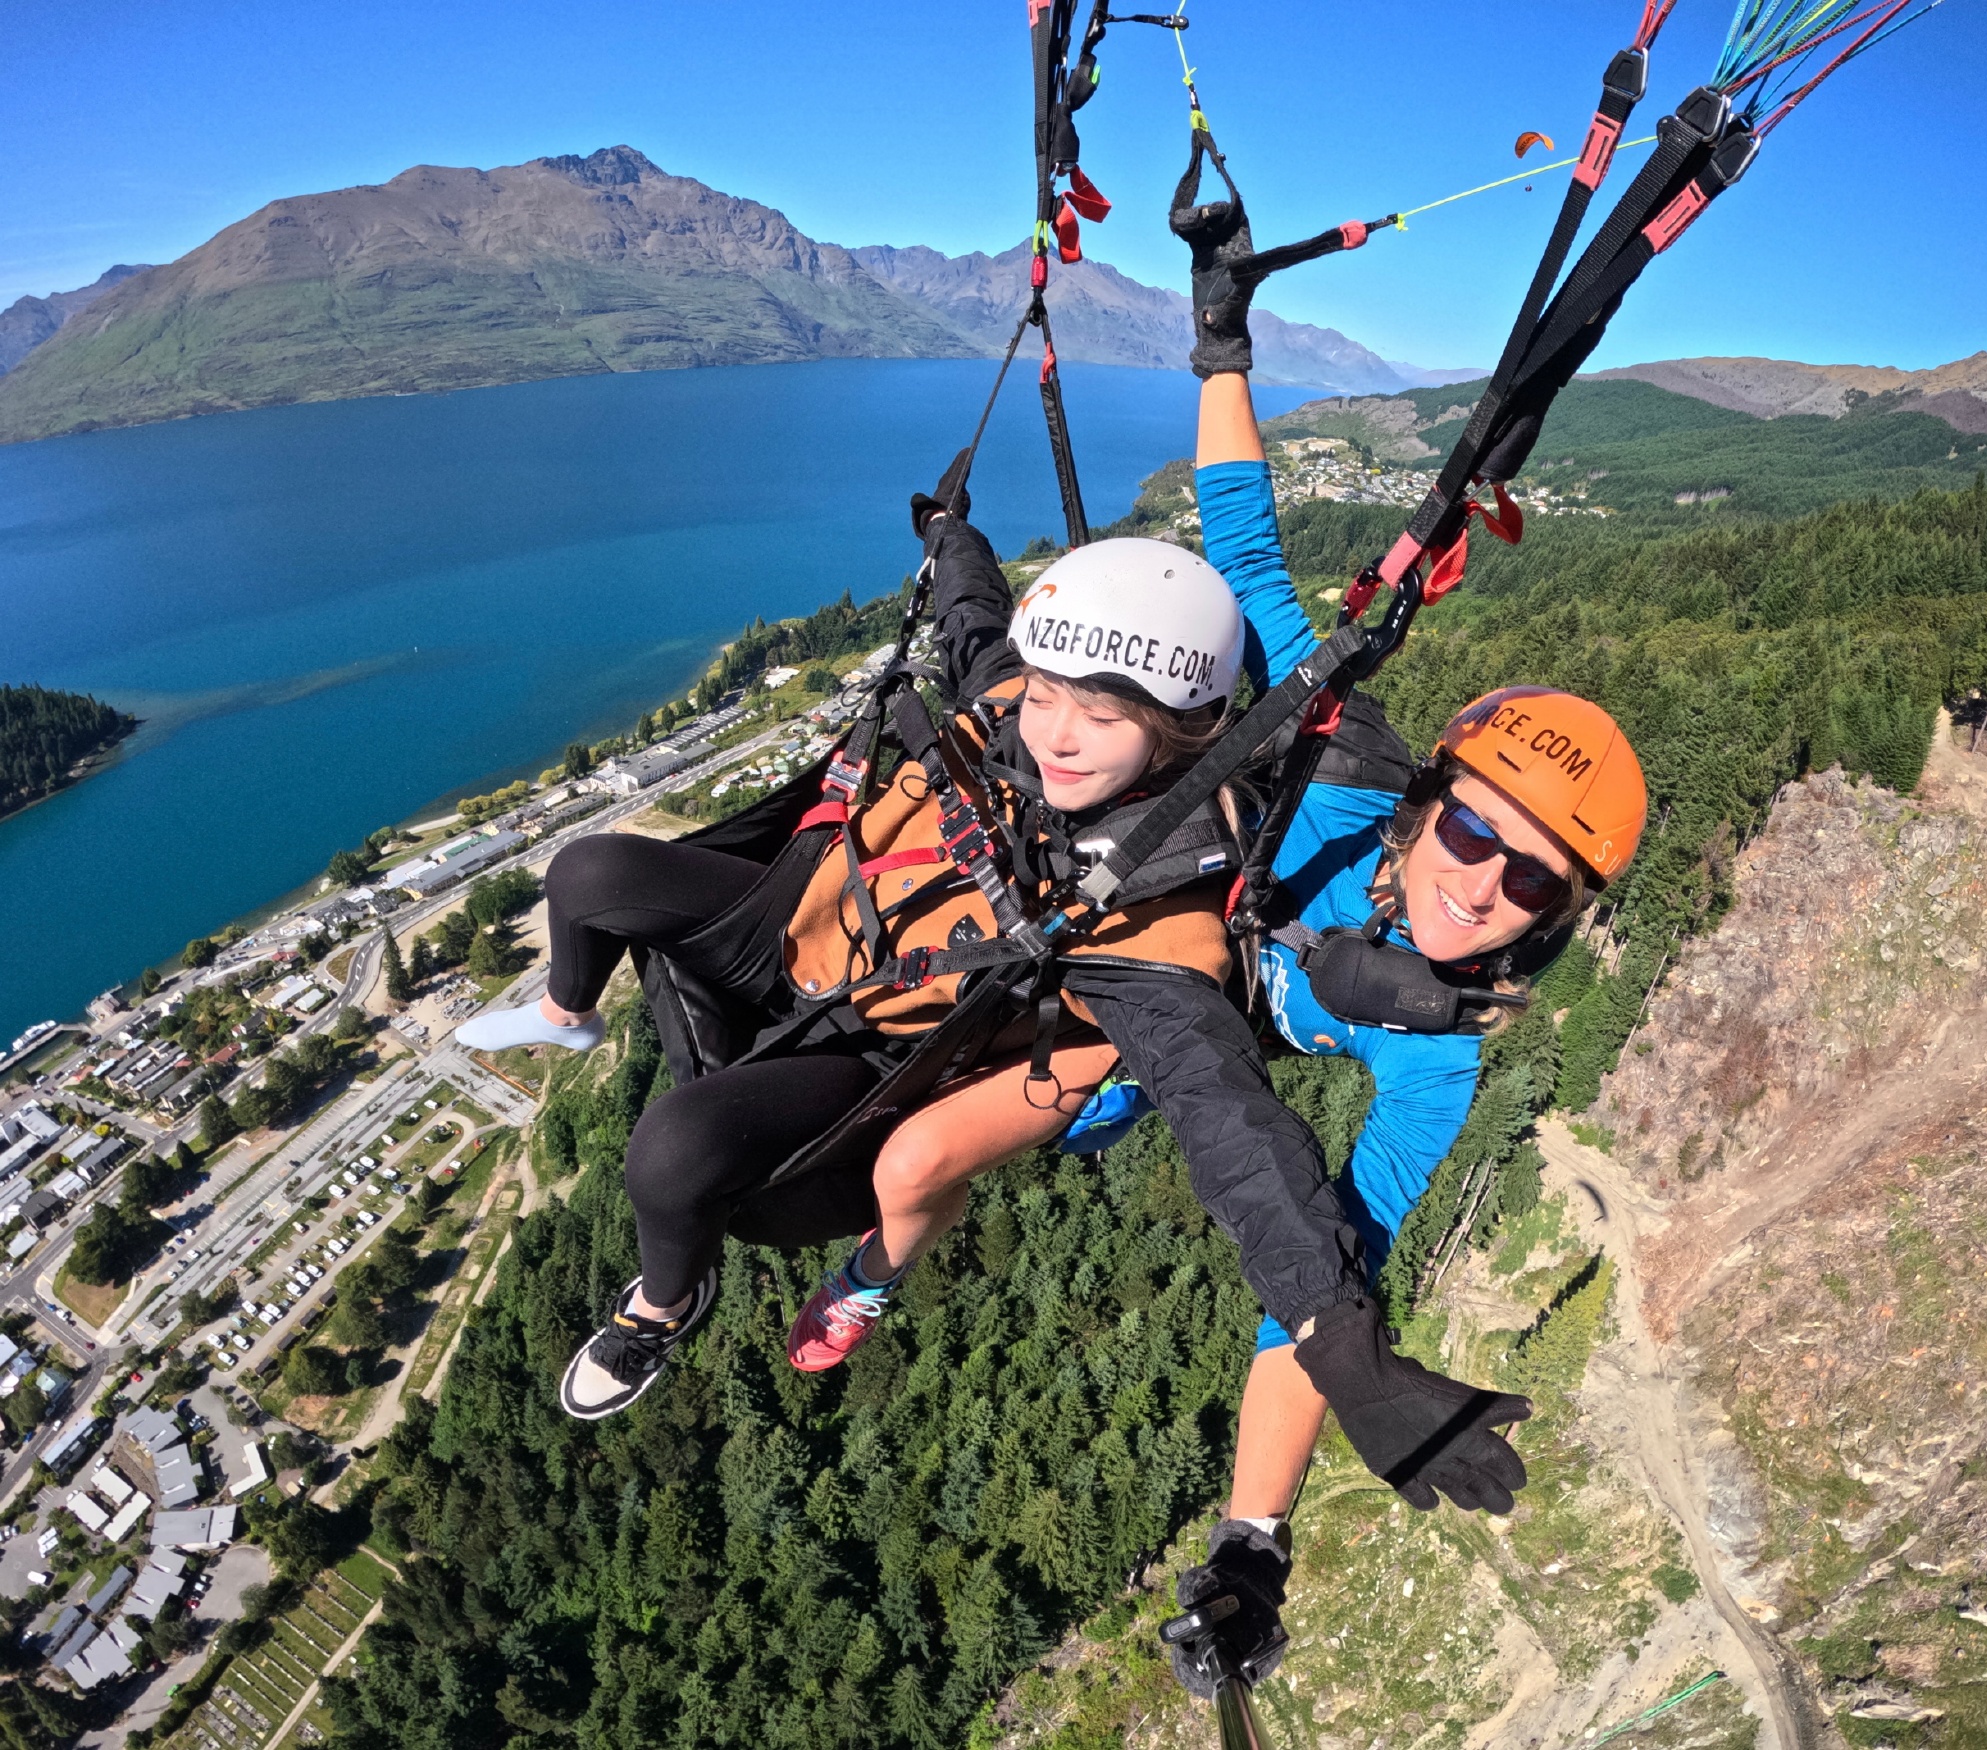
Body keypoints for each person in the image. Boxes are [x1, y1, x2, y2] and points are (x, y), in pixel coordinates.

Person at [796, 161, 1650, 1702]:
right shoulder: (1327, 772)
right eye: (1472, 832)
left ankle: (869, 1250)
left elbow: (1311, 1280)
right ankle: (872, 1264)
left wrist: (1254, 1535)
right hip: (1137, 970)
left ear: (1559, 921)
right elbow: (1243, 540)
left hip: (1176, 1047)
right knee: (904, 1162)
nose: (1479, 886)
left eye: (1530, 884)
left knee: (924, 1150)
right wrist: (1220, 345)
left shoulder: (1436, 1055)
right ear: (1423, 801)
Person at [457, 476, 1251, 1420]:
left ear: (1173, 732)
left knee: (670, 1153)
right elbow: (971, 610)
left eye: (1104, 717)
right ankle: (566, 1014)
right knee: (587, 875)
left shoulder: (1164, 901)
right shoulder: (1007, 709)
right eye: (1045, 696)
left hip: (876, 1042)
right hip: (808, 917)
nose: (1058, 737)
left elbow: (1217, 1103)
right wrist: (950, 529)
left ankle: (662, 1308)